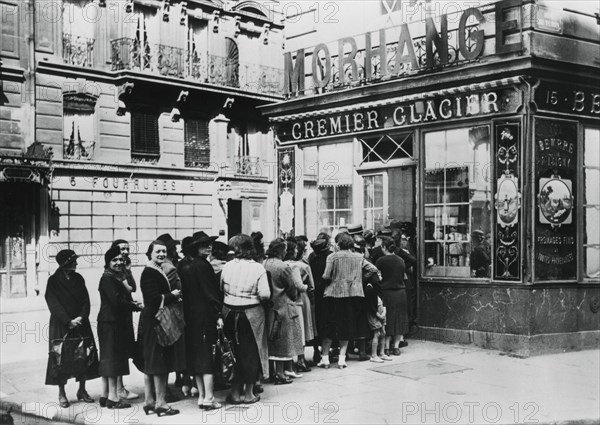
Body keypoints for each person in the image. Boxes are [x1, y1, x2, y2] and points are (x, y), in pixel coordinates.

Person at [45, 249, 99, 408]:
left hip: (81, 323)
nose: (76, 263)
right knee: (60, 356)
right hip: (62, 325)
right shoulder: (53, 281)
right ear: (65, 263)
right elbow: (53, 303)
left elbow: (85, 300)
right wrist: (68, 321)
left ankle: (82, 390)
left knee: (84, 354)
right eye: (73, 261)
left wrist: (81, 317)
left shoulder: (78, 278)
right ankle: (61, 393)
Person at [220, 234, 270, 404]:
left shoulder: (227, 266)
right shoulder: (257, 268)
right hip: (251, 314)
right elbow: (265, 294)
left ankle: (234, 392)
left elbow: (221, 288)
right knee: (251, 352)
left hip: (229, 312)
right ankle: (248, 393)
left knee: (232, 351)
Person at [177, 231, 224, 410]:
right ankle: (209, 397)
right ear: (196, 248)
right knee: (207, 356)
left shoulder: (185, 265)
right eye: (204, 244)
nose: (209, 247)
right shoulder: (203, 265)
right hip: (205, 316)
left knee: (196, 356)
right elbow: (210, 293)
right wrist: (218, 314)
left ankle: (202, 396)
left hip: (189, 317)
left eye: (210, 243)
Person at [139, 240, 186, 417]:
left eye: (163, 251)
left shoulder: (154, 270)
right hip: (156, 321)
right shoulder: (150, 272)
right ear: (150, 253)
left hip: (152, 320)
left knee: (151, 361)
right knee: (160, 362)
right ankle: (160, 403)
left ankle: (149, 401)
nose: (161, 254)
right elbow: (151, 299)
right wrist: (172, 296)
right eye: (157, 251)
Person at [318, 233, 378, 369]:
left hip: (333, 295)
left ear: (338, 244)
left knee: (329, 326)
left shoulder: (332, 257)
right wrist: (358, 280)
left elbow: (326, 276)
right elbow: (373, 269)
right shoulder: (358, 257)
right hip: (353, 295)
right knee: (346, 327)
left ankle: (325, 359)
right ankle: (342, 359)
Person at [97, 246, 143, 409]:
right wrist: (135, 306)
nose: (118, 263)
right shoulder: (108, 278)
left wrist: (131, 304)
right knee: (113, 360)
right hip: (111, 323)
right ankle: (113, 399)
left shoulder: (115, 276)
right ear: (107, 262)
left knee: (109, 358)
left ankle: (105, 396)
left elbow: (129, 290)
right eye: (114, 260)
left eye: (120, 260)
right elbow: (116, 302)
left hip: (113, 322)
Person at [264, 239, 305, 383]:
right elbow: (292, 287)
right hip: (284, 305)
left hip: (268, 306)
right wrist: (293, 297)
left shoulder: (264, 263)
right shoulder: (283, 267)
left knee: (270, 341)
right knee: (284, 342)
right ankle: (281, 374)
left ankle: (270, 372)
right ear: (282, 251)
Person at [109, 239, 140, 401]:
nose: (126, 252)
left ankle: (119, 387)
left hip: (125, 313)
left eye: (127, 249)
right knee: (118, 352)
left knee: (124, 350)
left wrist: (128, 271)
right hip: (117, 314)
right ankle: (118, 389)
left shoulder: (123, 268)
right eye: (122, 249)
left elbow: (133, 287)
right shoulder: (112, 270)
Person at [284, 238, 314, 373]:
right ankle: (301, 360)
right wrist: (307, 286)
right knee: (302, 329)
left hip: (286, 300)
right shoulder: (301, 266)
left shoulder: (282, 264)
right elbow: (307, 286)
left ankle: (290, 362)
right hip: (300, 298)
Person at [375, 236, 409, 356]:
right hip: (400, 292)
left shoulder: (380, 261)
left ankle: (386, 347)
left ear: (384, 247)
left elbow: (377, 277)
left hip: (387, 292)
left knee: (387, 320)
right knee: (399, 319)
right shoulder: (401, 260)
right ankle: (396, 347)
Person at [307, 236, 332, 364]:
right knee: (327, 323)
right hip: (327, 293)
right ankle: (326, 351)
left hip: (315, 294)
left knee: (316, 322)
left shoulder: (311, 258)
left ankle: (317, 350)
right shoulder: (330, 257)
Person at [368, 296, 391, 363]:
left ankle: (382, 353)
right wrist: (378, 315)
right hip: (374, 314)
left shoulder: (379, 290)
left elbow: (384, 302)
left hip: (382, 312)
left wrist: (384, 313)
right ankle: (374, 355)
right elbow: (370, 306)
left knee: (383, 333)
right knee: (377, 333)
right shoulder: (370, 289)